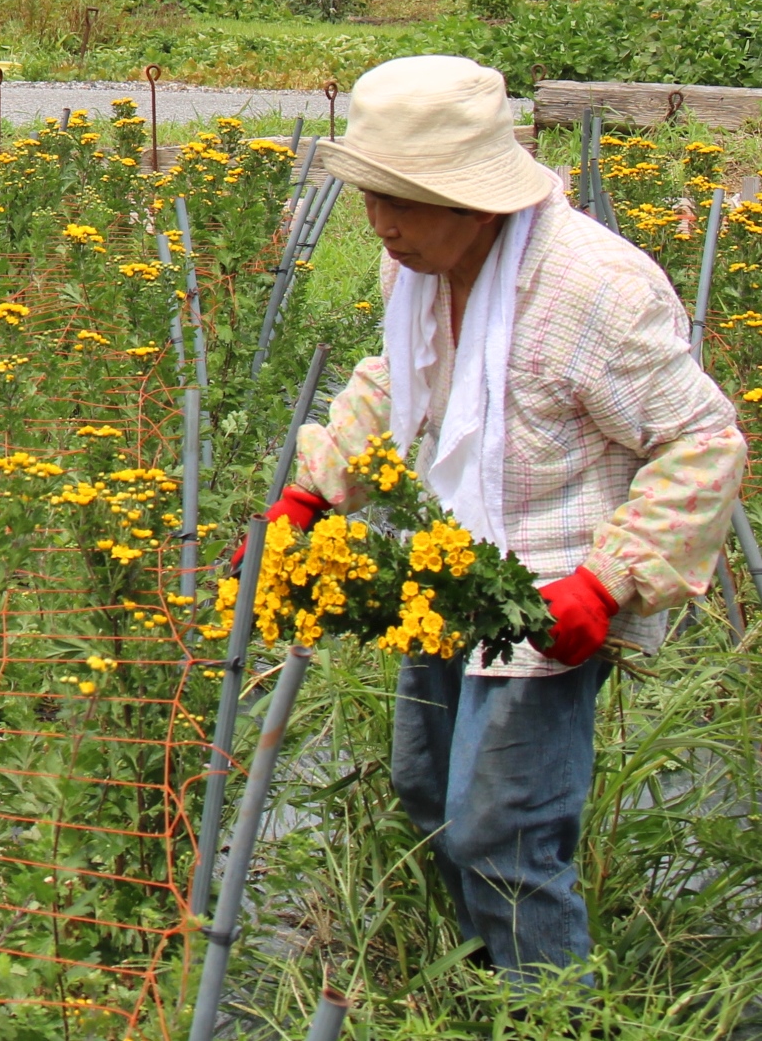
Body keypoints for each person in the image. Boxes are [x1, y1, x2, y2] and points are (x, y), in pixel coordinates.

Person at [247, 55, 745, 984]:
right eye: (373, 199)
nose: (383, 226)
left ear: (475, 201)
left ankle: (552, 1010)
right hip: (448, 567)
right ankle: (489, 981)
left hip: (553, 591)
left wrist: (608, 583)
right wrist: (316, 491)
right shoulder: (423, 271)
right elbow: (400, 376)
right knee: (426, 789)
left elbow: (704, 443)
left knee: (504, 834)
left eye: (406, 201)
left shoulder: (594, 290)